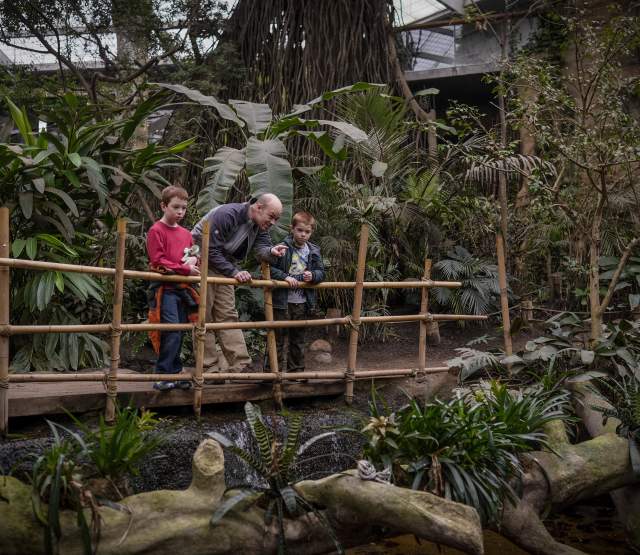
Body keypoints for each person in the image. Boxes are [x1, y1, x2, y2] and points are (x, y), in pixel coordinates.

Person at [191, 193, 287, 373]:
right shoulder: (228, 214)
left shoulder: (260, 226)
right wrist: (234, 272)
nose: (273, 222)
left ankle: (241, 365)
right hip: (201, 262)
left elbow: (262, 250)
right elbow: (209, 248)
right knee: (204, 316)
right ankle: (208, 368)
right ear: (258, 207)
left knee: (227, 314)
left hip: (224, 268)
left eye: (276, 219)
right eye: (271, 216)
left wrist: (272, 252)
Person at [146, 185, 200, 391]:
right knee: (172, 331)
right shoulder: (156, 230)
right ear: (163, 206)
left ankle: (175, 373)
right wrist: (186, 270)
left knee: (182, 331)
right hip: (165, 289)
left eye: (184, 208)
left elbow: (188, 256)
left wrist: (195, 261)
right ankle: (163, 374)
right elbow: (158, 262)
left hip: (183, 288)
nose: (180, 212)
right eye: (176, 207)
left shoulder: (186, 233)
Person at [269, 211, 325, 373]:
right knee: (277, 338)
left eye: (307, 232)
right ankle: (272, 374)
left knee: (298, 339)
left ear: (311, 232)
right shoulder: (282, 247)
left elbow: (321, 272)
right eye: (300, 230)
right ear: (292, 229)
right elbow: (269, 269)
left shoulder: (313, 251)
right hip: (282, 301)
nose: (303, 235)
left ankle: (296, 373)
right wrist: (285, 277)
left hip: (302, 302)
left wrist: (313, 275)